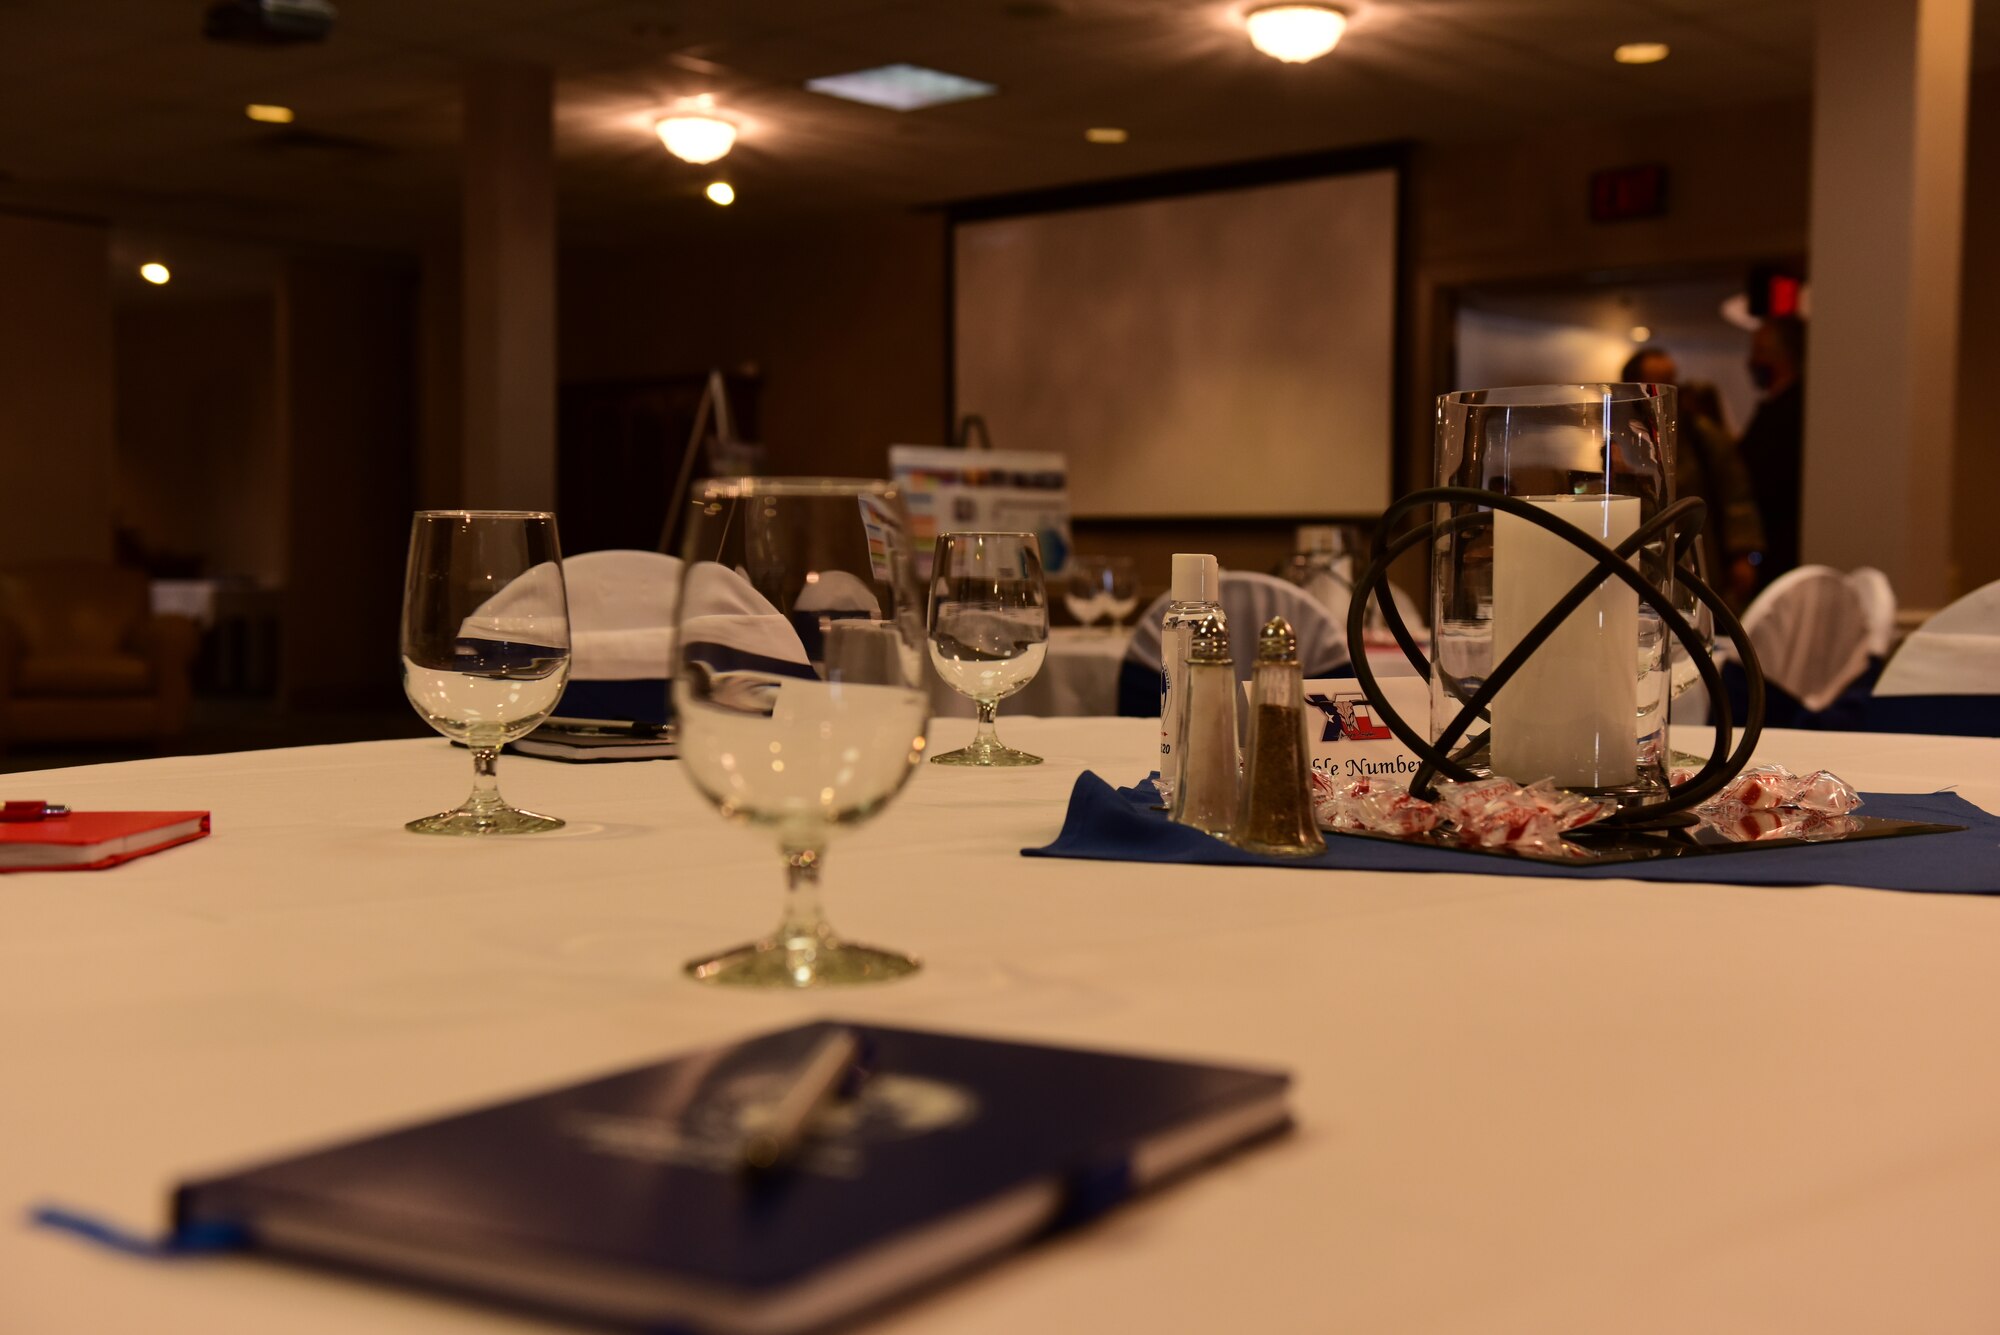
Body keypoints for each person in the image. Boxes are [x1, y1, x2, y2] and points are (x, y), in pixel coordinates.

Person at [1620, 347, 1765, 605]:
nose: (1668, 388)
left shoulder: (1702, 434)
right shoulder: (1619, 437)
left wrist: (1742, 554)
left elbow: (1736, 494)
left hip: (1695, 551)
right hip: (1636, 554)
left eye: (1671, 379)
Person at [1734, 317, 1807, 590]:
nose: (1752, 361)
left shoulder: (1792, 409)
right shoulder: (1775, 406)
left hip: (1779, 543)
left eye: (1758, 351)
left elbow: (1762, 476)